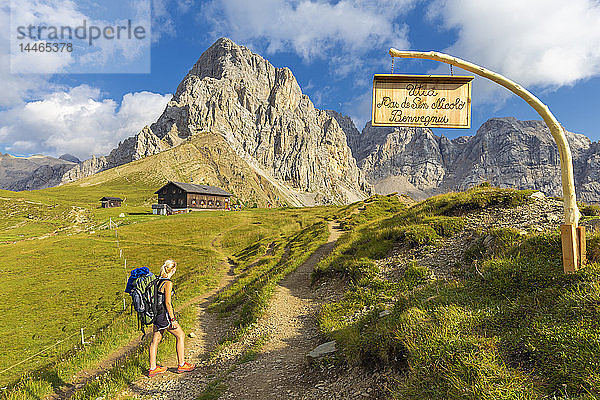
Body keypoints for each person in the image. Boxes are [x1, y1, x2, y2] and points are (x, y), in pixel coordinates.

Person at [148, 259, 196, 377]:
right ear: (173, 269)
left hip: (156, 314)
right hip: (164, 315)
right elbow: (168, 303)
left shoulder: (157, 280)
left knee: (155, 340)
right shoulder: (168, 283)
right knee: (180, 335)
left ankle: (153, 368)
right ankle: (181, 364)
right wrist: (173, 319)